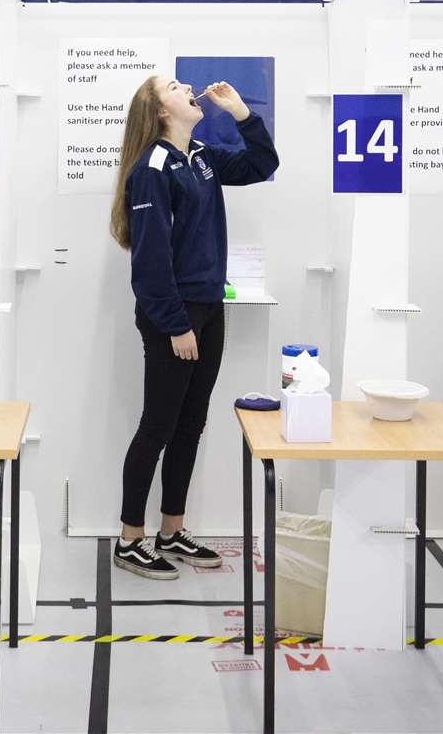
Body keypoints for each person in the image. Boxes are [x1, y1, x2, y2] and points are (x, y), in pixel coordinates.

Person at [108, 76, 279, 579]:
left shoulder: (199, 156)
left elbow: (260, 166)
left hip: (208, 308)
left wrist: (243, 115)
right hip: (173, 317)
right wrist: (177, 326)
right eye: (175, 87)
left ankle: (171, 529)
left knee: (191, 425)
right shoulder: (152, 170)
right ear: (160, 112)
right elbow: (151, 264)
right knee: (156, 426)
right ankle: (128, 538)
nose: (188, 88)